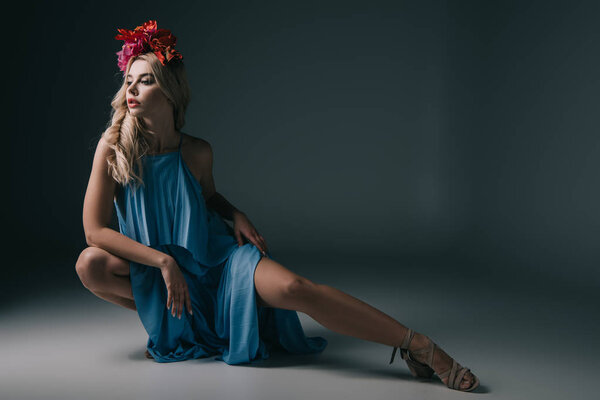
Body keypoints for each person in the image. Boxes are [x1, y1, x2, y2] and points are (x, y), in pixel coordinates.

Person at [75, 20, 479, 392]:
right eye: (129, 81)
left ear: (169, 90)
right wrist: (164, 263)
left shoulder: (197, 151)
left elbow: (207, 198)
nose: (131, 90)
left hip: (213, 260)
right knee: (89, 264)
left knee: (295, 288)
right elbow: (95, 231)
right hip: (159, 267)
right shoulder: (114, 148)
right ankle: (175, 325)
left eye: (144, 82)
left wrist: (235, 214)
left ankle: (417, 345)